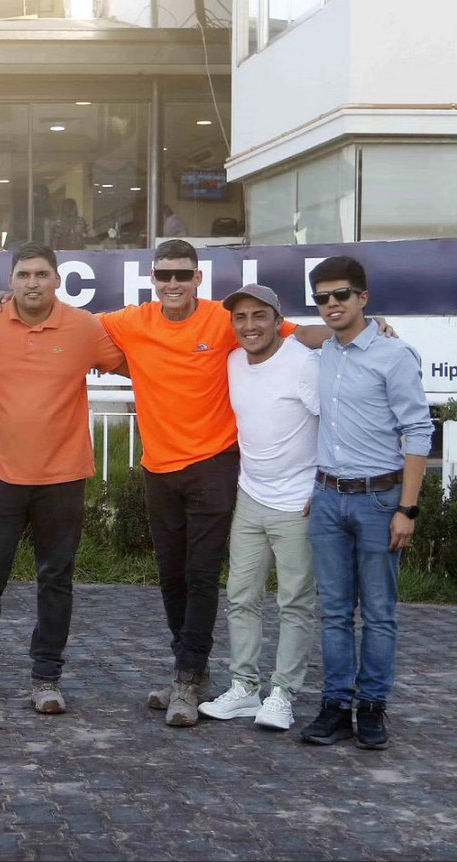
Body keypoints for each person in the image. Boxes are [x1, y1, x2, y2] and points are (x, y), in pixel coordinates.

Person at [95, 239, 337, 728]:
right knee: (173, 576)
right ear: (153, 279)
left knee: (205, 575)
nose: (173, 284)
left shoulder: (223, 322)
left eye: (182, 274)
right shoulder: (132, 321)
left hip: (214, 466)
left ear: (197, 278)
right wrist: (1, 301)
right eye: (164, 275)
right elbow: (72, 323)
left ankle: (188, 678)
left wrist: (362, 332)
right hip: (157, 468)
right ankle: (195, 671)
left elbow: (303, 334)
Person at [0, 242, 125, 715]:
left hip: (63, 476)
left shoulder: (84, 327)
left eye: (41, 274)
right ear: (10, 280)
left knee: (56, 580)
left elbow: (129, 364)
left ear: (57, 280)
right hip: (0, 474)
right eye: (23, 274)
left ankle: (46, 677)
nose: (32, 283)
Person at [299, 256, 432, 750]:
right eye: (322, 297)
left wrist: (408, 509)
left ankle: (372, 707)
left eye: (341, 295)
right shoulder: (325, 347)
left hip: (381, 501)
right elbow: (296, 333)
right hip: (328, 499)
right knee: (333, 611)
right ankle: (335, 705)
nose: (331, 305)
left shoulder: (395, 356)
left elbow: (418, 430)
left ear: (363, 297)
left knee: (378, 612)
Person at [197, 284, 319, 731]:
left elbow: (334, 421)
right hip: (250, 496)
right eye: (241, 318)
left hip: (299, 503)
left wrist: (321, 485)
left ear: (277, 319)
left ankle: (283, 694)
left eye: (259, 316)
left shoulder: (304, 363)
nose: (250, 326)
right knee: (240, 597)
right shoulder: (231, 362)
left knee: (295, 602)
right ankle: (245, 689)